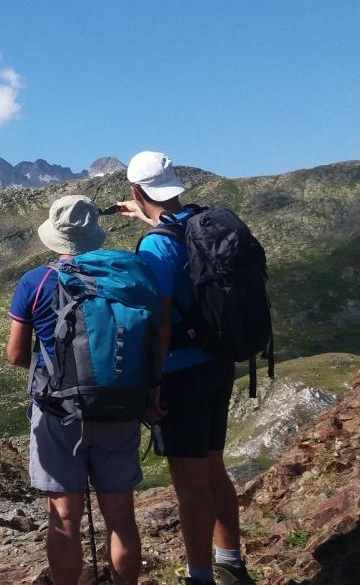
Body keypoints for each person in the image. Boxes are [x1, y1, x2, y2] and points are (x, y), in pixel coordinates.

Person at [114, 151, 255, 585]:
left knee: (190, 481)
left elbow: (160, 319)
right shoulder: (199, 222)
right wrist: (146, 217)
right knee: (214, 466)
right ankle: (230, 561)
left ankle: (199, 576)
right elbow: (175, 238)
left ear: (136, 191)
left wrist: (152, 382)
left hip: (180, 374)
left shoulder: (156, 246)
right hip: (218, 362)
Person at [6, 195, 144, 585]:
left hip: (57, 411)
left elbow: (16, 353)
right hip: (119, 406)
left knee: (65, 519)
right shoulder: (126, 276)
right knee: (121, 517)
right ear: (94, 235)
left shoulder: (36, 281)